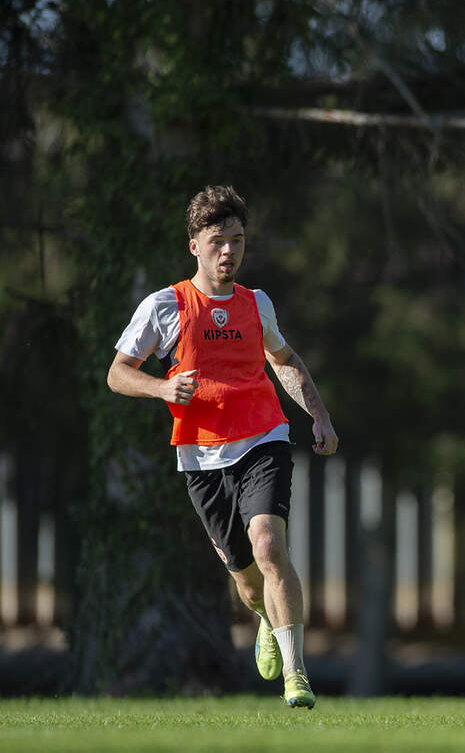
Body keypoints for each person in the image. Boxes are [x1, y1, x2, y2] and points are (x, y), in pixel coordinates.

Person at [107, 185, 338, 709]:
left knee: (268, 545)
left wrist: (318, 415)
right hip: (201, 456)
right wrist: (163, 387)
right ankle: (262, 618)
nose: (229, 252)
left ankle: (297, 675)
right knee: (250, 584)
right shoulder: (165, 306)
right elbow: (118, 374)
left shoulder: (257, 304)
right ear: (195, 246)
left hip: (264, 436)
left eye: (237, 240)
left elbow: (285, 360)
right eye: (218, 241)